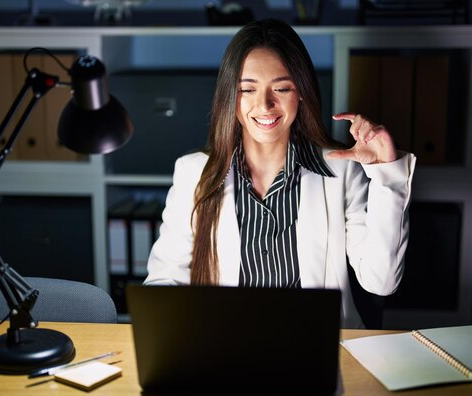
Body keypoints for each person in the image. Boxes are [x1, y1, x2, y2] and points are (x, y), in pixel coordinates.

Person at [144, 18, 416, 328]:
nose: (265, 105)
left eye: (282, 88)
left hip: (318, 353)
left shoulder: (340, 171)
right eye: (248, 90)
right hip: (226, 351)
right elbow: (164, 281)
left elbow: (382, 282)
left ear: (301, 92)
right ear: (230, 98)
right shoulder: (193, 173)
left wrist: (386, 174)